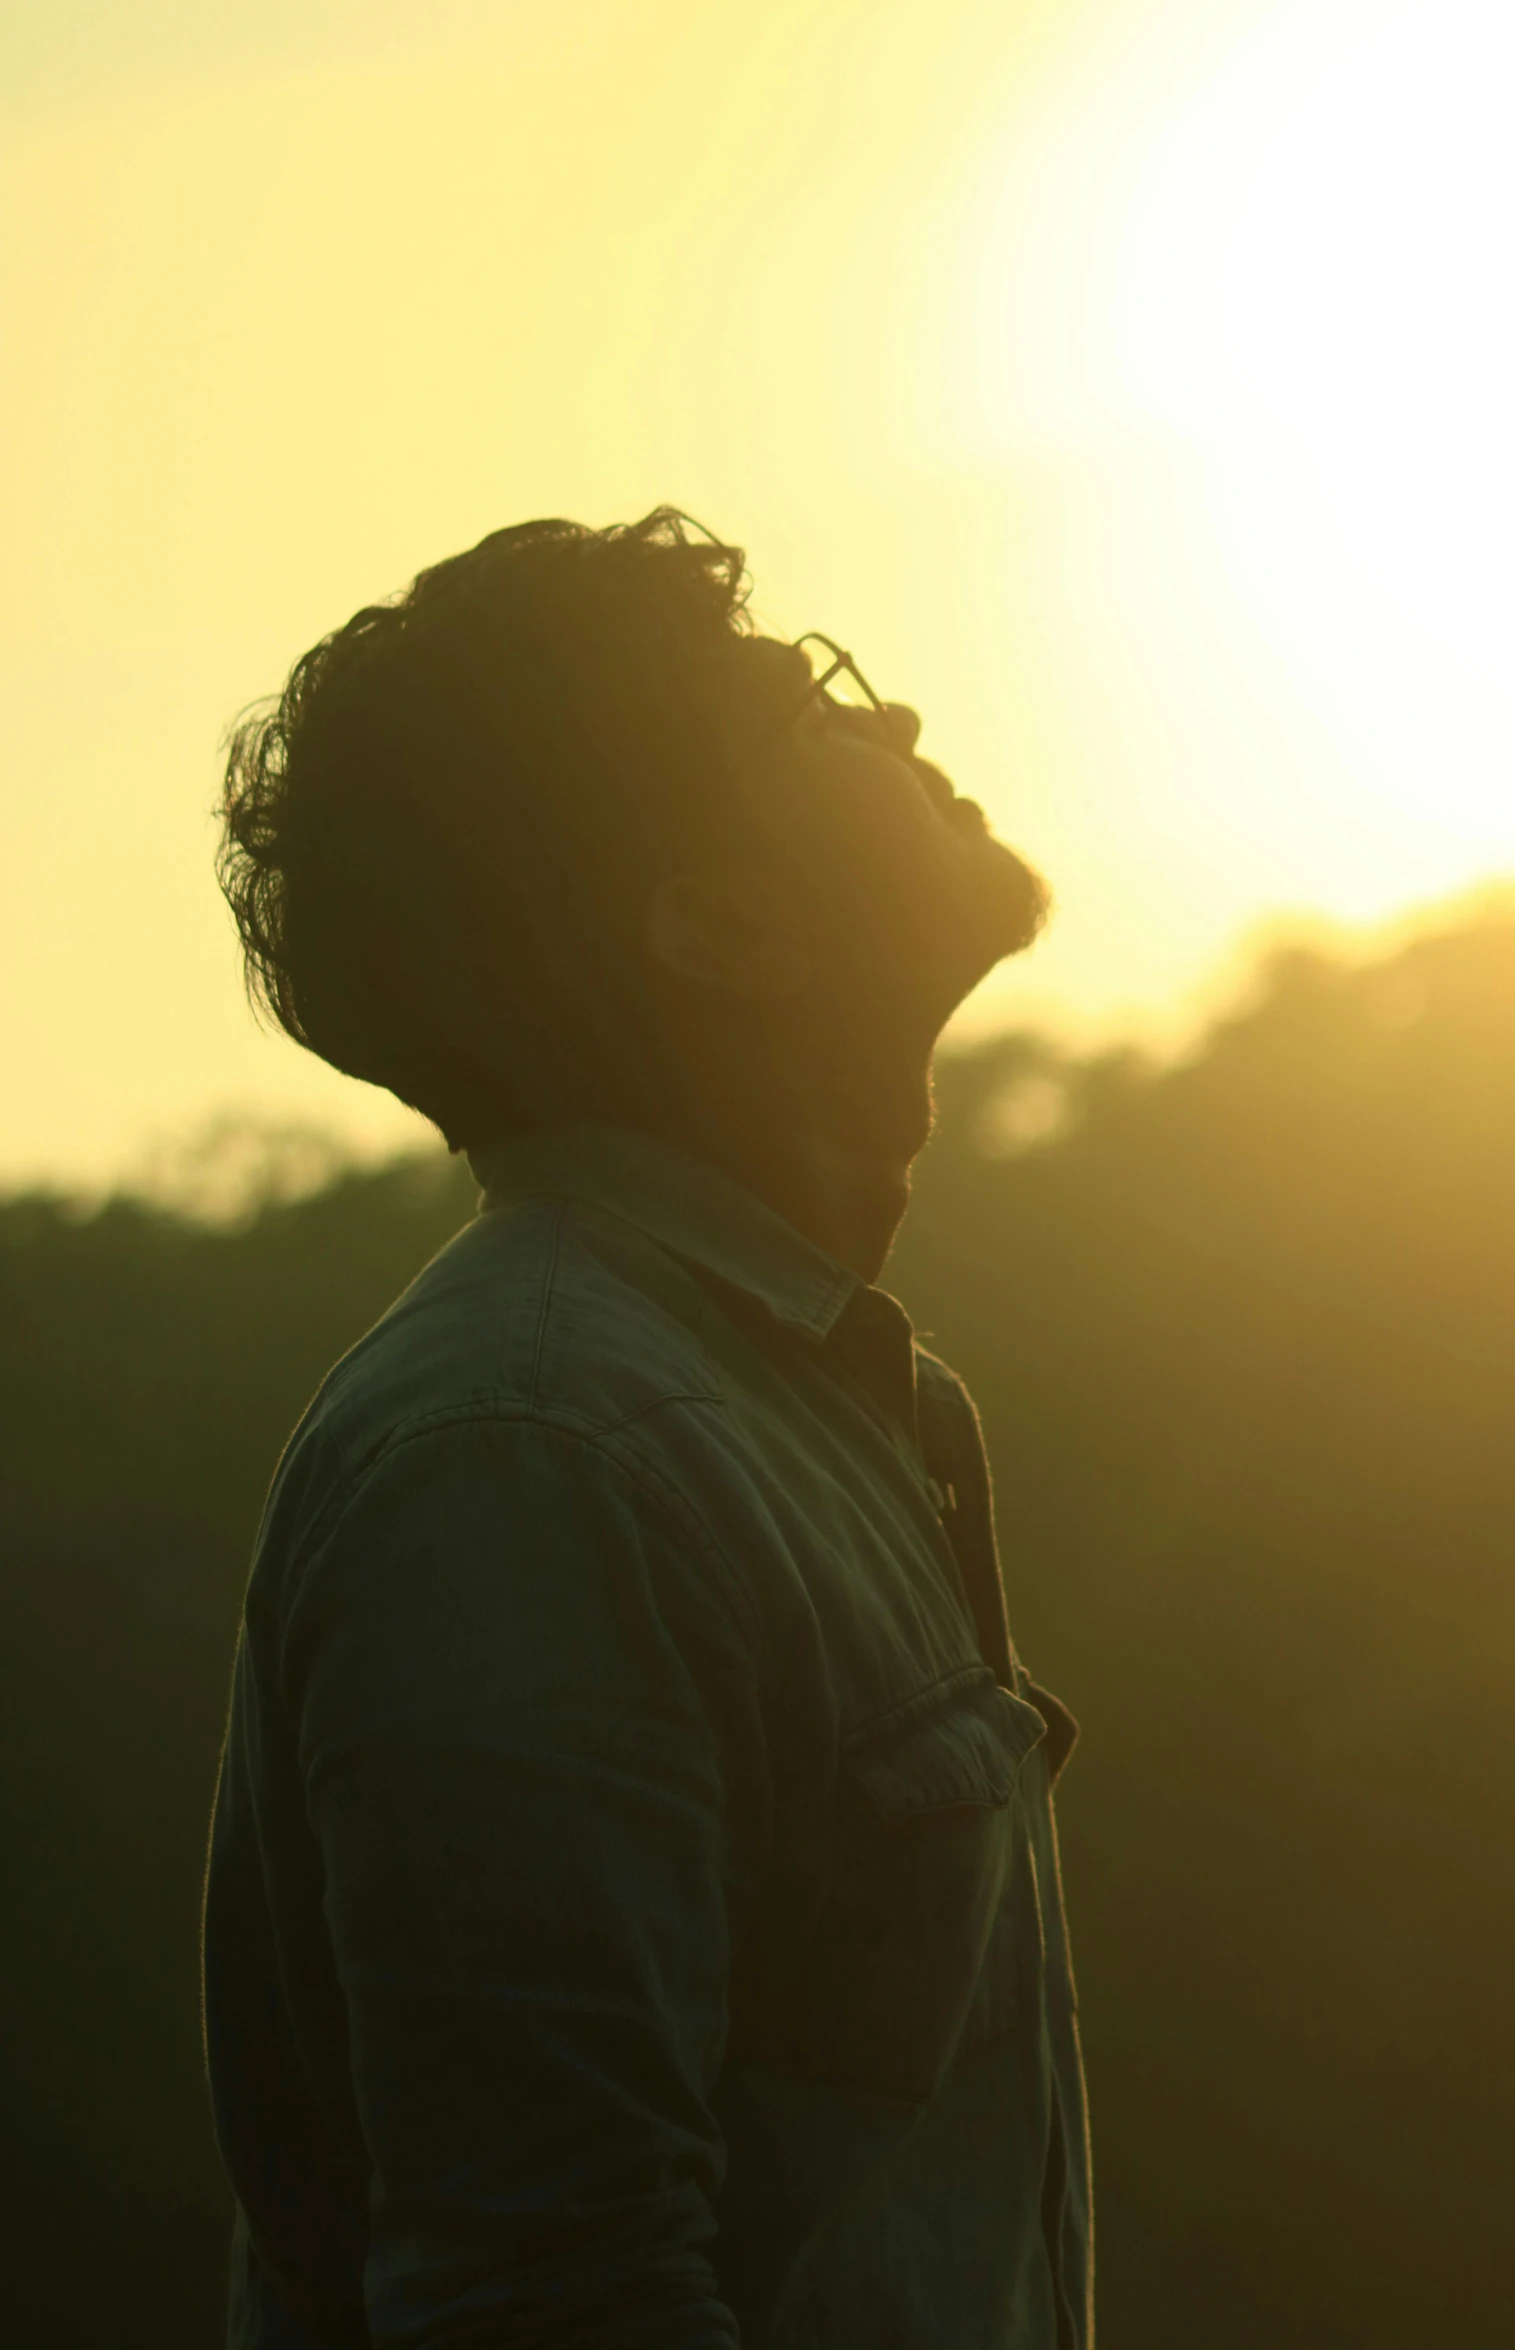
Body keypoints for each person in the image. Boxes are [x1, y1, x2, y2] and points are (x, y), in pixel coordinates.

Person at [202, 508, 1092, 2348]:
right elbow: (550, 2293)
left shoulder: (799, 1402)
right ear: (719, 924)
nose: (900, 713)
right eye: (814, 701)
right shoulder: (534, 1456)